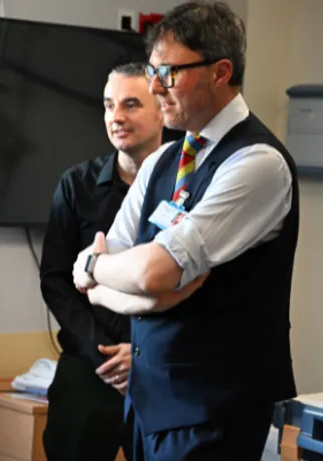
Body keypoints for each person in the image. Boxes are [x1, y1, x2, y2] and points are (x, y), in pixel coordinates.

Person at [72, 2, 299, 460]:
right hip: (148, 401)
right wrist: (106, 274)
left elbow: (154, 270)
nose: (156, 87)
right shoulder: (162, 160)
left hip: (215, 411)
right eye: (154, 72)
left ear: (220, 72)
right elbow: (93, 271)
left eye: (169, 73)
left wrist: (113, 274)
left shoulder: (258, 163)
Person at [39, 62, 164, 461]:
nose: (116, 117)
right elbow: (56, 280)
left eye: (130, 105)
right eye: (109, 105)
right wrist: (106, 352)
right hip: (91, 366)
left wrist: (143, 355)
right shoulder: (76, 184)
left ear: (162, 108)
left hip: (163, 368)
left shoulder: (189, 185)